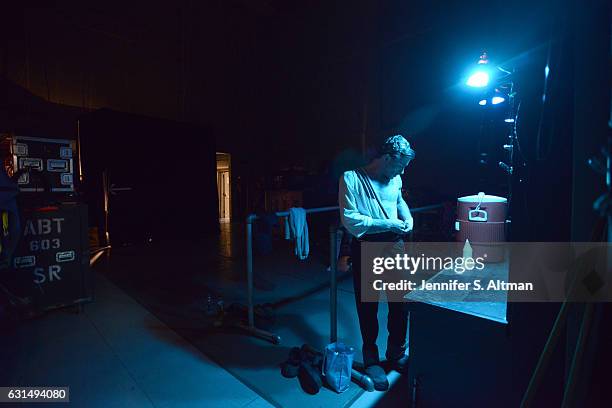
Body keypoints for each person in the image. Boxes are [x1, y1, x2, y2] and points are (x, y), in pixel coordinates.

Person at [338, 134, 415, 391]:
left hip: (396, 245)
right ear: (387, 158)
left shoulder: (396, 178)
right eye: (399, 164)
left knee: (400, 302)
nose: (402, 170)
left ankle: (395, 352)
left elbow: (399, 201)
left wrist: (408, 218)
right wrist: (389, 223)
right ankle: (371, 358)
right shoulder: (351, 178)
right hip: (368, 246)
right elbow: (351, 219)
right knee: (368, 305)